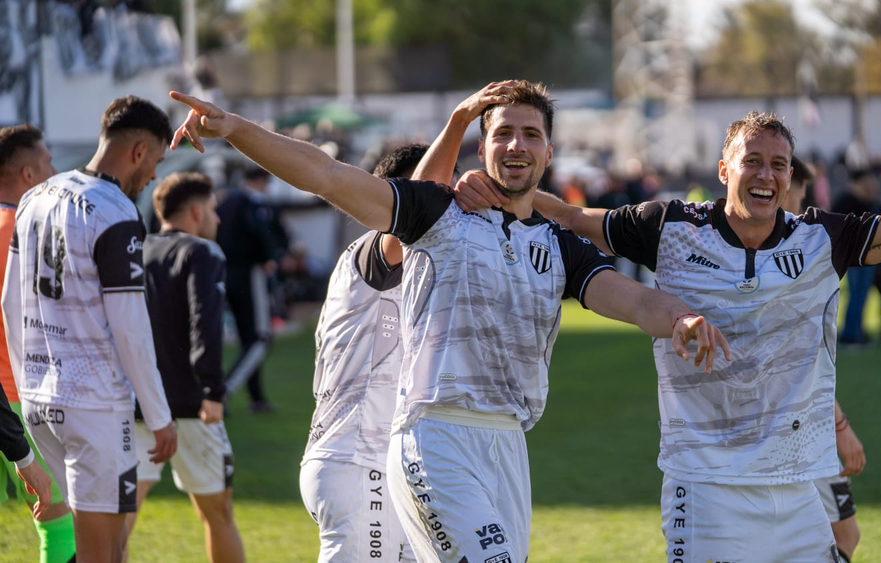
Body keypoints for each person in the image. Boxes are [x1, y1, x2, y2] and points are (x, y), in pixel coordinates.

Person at [169, 81, 729, 563]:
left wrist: (682, 318)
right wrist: (235, 128)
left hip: (509, 446)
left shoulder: (560, 247)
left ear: (549, 151)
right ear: (480, 147)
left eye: (530, 134)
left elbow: (632, 300)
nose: (516, 145)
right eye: (503, 132)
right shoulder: (437, 215)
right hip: (434, 437)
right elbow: (328, 176)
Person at [456, 109, 881, 561]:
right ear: (724, 169)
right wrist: (499, 189)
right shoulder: (669, 227)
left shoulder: (822, 240)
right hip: (705, 488)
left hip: (798, 487)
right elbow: (574, 218)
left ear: (790, 178)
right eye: (753, 162)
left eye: (779, 166)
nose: (766, 175)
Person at [1, 96, 177, 563]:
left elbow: (9, 303)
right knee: (105, 554)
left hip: (39, 403)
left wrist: (26, 387)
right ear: (138, 151)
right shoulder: (115, 210)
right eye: (156, 160)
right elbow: (130, 326)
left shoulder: (36, 196)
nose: (155, 175)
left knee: (73, 545)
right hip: (95, 407)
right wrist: (159, 416)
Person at [299, 144, 439, 563]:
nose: (445, 204)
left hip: (380, 467)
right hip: (359, 465)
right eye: (433, 191)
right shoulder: (380, 249)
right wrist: (458, 122)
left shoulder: (416, 260)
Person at [124, 172, 244, 562]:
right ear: (195, 211)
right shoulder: (203, 252)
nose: (218, 219)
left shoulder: (134, 250)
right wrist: (212, 390)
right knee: (218, 512)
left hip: (136, 402)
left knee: (121, 518)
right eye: (212, 209)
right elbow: (204, 323)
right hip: (191, 405)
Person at [0, 124, 76, 562]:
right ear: (28, 174)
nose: (56, 170)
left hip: (8, 404)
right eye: (49, 162)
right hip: (26, 400)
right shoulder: (32, 229)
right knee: (59, 528)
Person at [786, 155, 865, 563]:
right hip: (800, 433)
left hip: (799, 428)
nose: (798, 209)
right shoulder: (785, 265)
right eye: (796, 196)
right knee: (842, 536)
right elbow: (799, 367)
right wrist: (841, 428)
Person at [216, 165, 283, 413]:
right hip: (250, 273)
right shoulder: (253, 203)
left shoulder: (226, 202)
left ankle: (256, 397)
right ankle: (222, 392)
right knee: (259, 339)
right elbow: (260, 231)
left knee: (248, 338)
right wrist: (268, 257)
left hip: (225, 273)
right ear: (260, 180)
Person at [832, 168, 880, 346]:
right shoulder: (847, 201)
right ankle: (850, 335)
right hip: (853, 259)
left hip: (865, 257)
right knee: (856, 294)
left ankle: (857, 331)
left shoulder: (865, 201)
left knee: (861, 295)